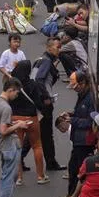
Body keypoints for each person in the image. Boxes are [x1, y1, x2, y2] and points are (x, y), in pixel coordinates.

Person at [10, 60, 48, 186]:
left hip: (16, 119)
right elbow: (39, 102)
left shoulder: (12, 84)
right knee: (37, 146)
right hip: (31, 118)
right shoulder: (33, 84)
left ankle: (19, 177)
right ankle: (40, 176)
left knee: (17, 148)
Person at [60, 70, 96, 196]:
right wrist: (71, 114)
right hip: (79, 140)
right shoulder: (82, 95)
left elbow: (90, 122)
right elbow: (81, 115)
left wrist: (73, 120)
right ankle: (71, 195)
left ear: (83, 83)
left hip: (85, 141)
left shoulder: (90, 99)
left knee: (78, 170)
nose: (74, 89)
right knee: (73, 168)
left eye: (75, 86)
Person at [34, 37, 64, 171]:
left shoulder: (40, 60)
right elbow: (39, 80)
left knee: (36, 131)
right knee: (46, 134)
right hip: (44, 103)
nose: (59, 50)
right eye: (57, 47)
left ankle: (21, 159)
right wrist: (46, 97)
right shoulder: (46, 62)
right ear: (49, 48)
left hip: (37, 101)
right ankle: (51, 163)